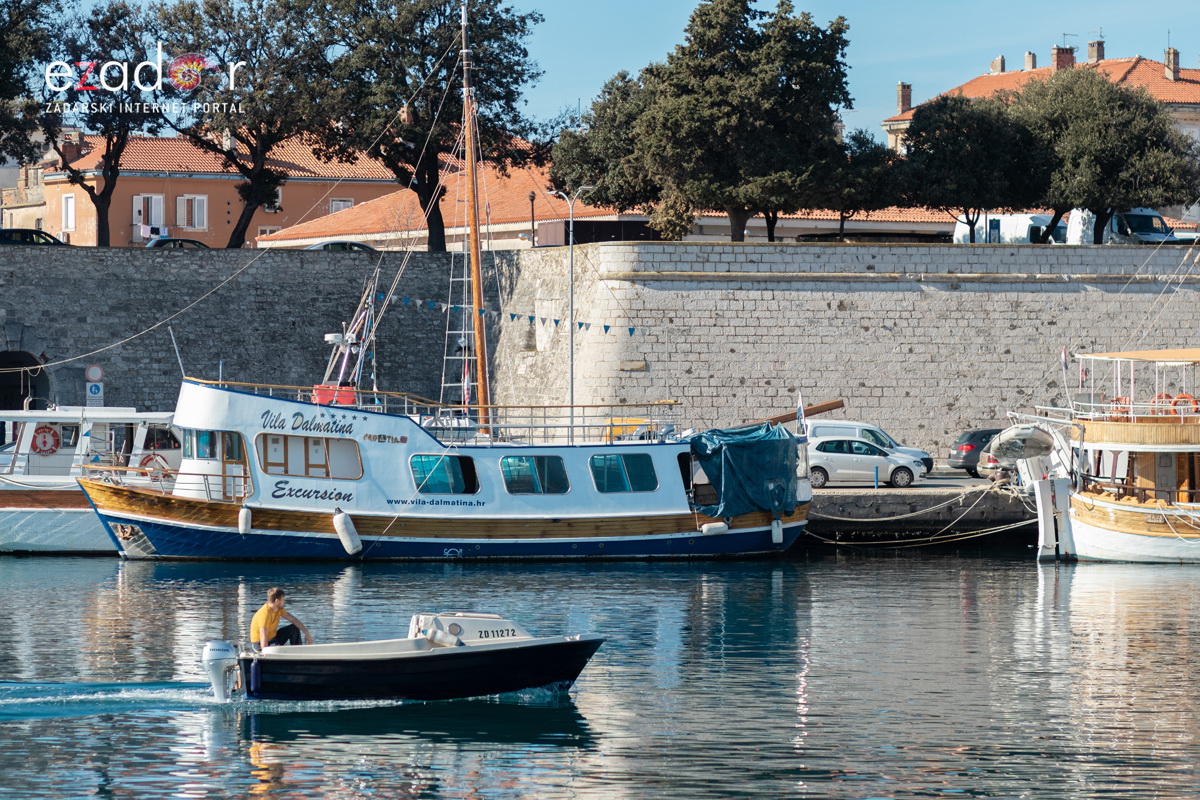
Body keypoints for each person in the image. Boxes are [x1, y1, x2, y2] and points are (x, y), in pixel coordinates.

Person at [249, 587, 314, 649]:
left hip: (273, 639)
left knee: (294, 628)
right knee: (265, 641)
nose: (284, 602)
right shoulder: (264, 613)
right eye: (283, 600)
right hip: (260, 644)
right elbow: (263, 635)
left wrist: (306, 633)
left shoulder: (279, 609)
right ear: (277, 601)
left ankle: (297, 652)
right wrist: (265, 653)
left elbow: (293, 620)